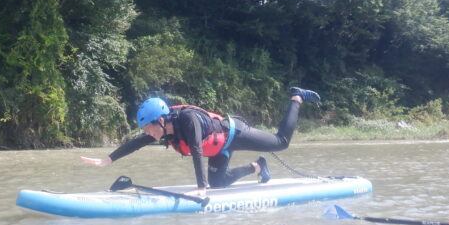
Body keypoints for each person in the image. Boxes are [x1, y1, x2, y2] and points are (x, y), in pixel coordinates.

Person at [80, 87, 321, 198]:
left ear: (161, 120)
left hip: (235, 134)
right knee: (219, 183)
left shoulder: (188, 119)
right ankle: (257, 167)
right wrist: (107, 160)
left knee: (281, 142)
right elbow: (136, 143)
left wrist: (200, 187)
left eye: (148, 127)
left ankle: (296, 97)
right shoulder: (163, 130)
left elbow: (196, 149)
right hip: (219, 149)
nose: (147, 132)